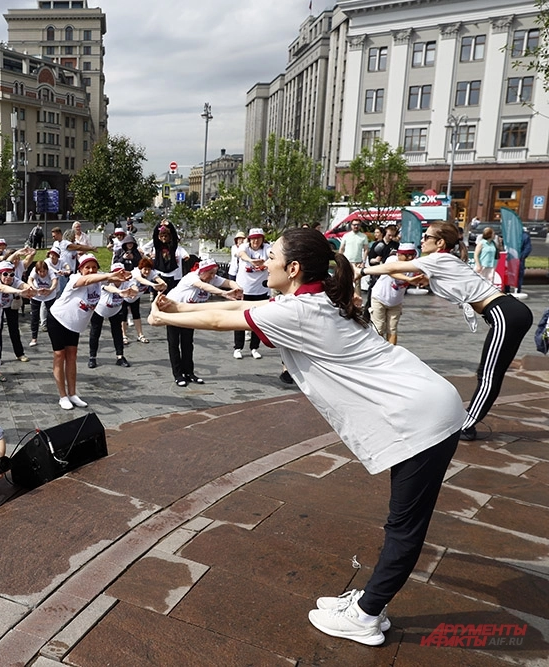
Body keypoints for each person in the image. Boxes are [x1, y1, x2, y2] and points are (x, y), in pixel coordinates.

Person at [148, 227, 467, 647]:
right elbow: (242, 306)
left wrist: (165, 317)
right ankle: (370, 601)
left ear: (294, 268)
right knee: (402, 522)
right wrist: (178, 306)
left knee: (404, 526)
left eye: (273, 257)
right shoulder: (311, 300)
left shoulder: (300, 311)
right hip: (423, 404)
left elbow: (220, 320)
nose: (265, 263)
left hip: (421, 417)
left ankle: (367, 614)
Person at [362, 221, 533, 441]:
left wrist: (361, 271)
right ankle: (468, 423)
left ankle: (467, 426)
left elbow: (392, 268)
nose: (422, 240)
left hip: (504, 313)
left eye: (427, 237)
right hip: (509, 312)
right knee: (491, 373)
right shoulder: (444, 261)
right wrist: (426, 280)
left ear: (440, 243)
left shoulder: (438, 259)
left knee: (488, 375)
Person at [48, 254, 130, 410]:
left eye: (94, 267)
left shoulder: (99, 281)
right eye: (87, 267)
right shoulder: (75, 278)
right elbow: (86, 280)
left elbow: (119, 279)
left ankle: (72, 394)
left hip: (74, 324)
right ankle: (62, 396)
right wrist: (110, 275)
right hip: (58, 319)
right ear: (80, 269)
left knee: (72, 355)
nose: (91, 270)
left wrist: (126, 278)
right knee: (59, 355)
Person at [164, 258, 241, 386]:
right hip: (173, 310)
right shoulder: (191, 277)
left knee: (188, 343)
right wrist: (224, 293)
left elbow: (229, 282)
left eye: (215, 273)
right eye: (210, 273)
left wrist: (238, 288)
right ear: (202, 272)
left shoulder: (211, 278)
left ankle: (189, 373)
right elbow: (202, 286)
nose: (213, 276)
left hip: (189, 313)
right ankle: (178, 375)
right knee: (174, 343)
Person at [87, 263, 139, 369]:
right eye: (117, 273)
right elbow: (109, 288)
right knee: (95, 332)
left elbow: (135, 288)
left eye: (121, 273)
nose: (119, 275)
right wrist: (120, 291)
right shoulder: (106, 281)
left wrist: (133, 291)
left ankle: (120, 357)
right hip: (99, 310)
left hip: (115, 310)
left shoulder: (127, 282)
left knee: (117, 333)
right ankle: (92, 357)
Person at [233, 228, 271, 360]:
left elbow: (272, 254)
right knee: (240, 319)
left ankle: (254, 347)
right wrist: (251, 260)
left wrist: (266, 262)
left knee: (258, 320)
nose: (256, 241)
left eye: (258, 238)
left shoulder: (266, 248)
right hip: (245, 290)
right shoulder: (245, 247)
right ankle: (238, 347)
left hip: (260, 291)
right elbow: (241, 253)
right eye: (253, 238)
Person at [368, 243, 417, 345]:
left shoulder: (413, 264)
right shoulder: (392, 260)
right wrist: (408, 279)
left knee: (392, 329)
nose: (410, 258)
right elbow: (391, 272)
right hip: (379, 298)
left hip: (396, 301)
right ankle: (377, 350)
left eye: (412, 255)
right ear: (399, 254)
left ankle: (392, 352)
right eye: (407, 255)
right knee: (378, 328)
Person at [123, 256, 166, 344]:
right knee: (123, 317)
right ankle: (123, 336)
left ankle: (140, 335)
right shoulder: (135, 272)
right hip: (125, 297)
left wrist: (163, 284)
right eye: (145, 269)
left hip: (136, 298)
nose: (147, 272)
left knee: (136, 315)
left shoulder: (151, 273)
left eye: (148, 269)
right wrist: (152, 284)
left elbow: (158, 279)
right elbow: (141, 280)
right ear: (140, 268)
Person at [27, 259, 58, 347]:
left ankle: (54, 337)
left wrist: (50, 289)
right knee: (35, 317)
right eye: (40, 272)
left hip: (49, 295)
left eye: (44, 271)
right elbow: (29, 280)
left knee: (51, 316)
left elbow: (55, 281)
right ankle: (34, 338)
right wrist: (35, 289)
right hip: (37, 295)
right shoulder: (34, 271)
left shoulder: (50, 271)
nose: (42, 273)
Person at [151, 222, 189, 291]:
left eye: (166, 236)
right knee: (160, 294)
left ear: (169, 237)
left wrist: (169, 224)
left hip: (171, 274)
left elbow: (174, 236)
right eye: (162, 236)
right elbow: (155, 235)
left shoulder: (172, 247)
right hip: (160, 273)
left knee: (171, 293)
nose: (164, 238)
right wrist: (159, 225)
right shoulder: (158, 247)